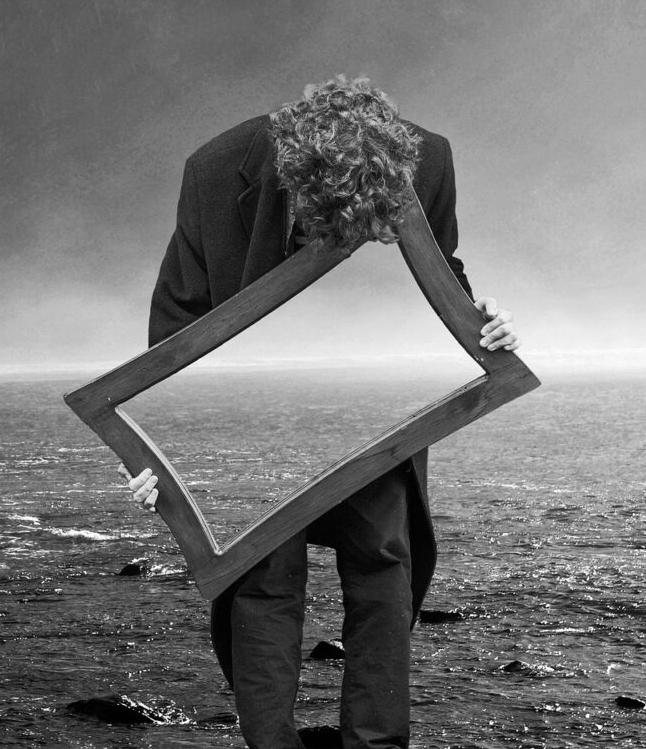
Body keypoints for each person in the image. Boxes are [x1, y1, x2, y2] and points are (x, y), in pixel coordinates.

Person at [120, 77, 519, 749]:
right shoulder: (215, 170)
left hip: (373, 413)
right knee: (263, 580)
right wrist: (153, 460)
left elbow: (436, 279)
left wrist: (488, 327)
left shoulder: (429, 162)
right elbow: (176, 326)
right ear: (292, 181)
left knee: (385, 564)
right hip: (250, 422)